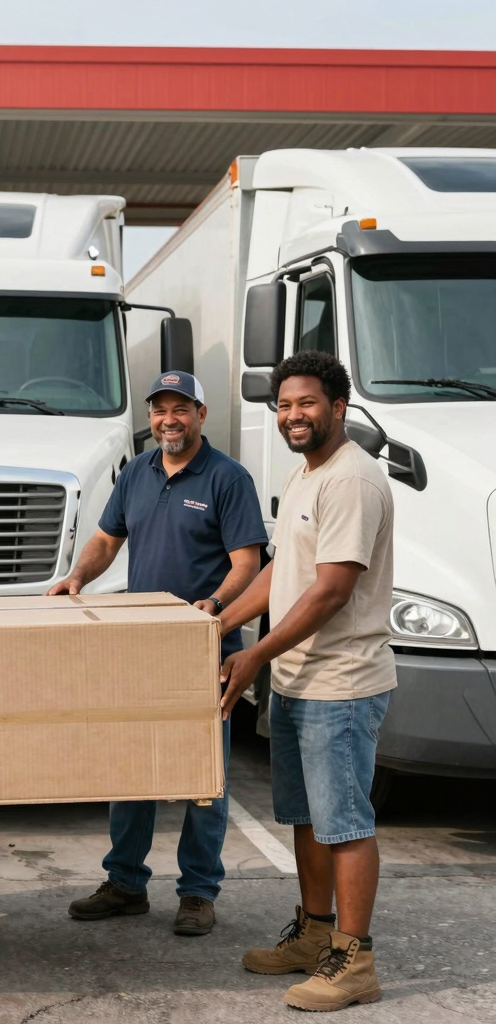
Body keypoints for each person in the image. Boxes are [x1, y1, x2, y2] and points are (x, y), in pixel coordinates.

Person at [49, 371, 266, 936]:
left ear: (201, 413)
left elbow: (249, 563)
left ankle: (197, 893)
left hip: (205, 646)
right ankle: (125, 883)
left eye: (180, 409)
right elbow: (105, 539)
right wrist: (77, 576)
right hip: (142, 648)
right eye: (159, 410)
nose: (168, 420)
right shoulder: (138, 474)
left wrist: (213, 605)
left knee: (202, 777)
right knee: (132, 767)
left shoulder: (227, 478)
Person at [218, 350, 396, 1012]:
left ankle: (354, 959)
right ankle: (313, 933)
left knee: (344, 822)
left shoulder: (350, 481)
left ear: (338, 408)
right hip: (297, 679)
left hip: (340, 683)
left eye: (307, 403)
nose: (294, 414)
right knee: (306, 818)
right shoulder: (305, 475)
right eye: (285, 404)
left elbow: (328, 592)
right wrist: (218, 622)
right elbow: (279, 571)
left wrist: (254, 653)